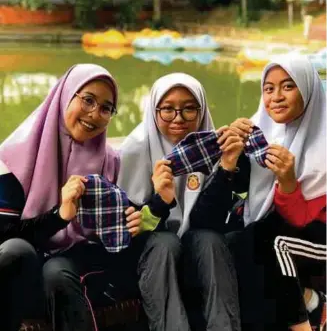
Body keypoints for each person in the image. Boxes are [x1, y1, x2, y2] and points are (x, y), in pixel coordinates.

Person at [0, 64, 141, 331]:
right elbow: (5, 236)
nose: (94, 114)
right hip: (23, 279)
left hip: (78, 274)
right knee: (15, 251)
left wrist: (132, 219)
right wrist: (59, 216)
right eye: (87, 100)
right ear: (65, 95)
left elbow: (116, 235)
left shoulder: (111, 162)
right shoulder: (12, 158)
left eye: (106, 108)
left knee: (58, 271)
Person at [195, 56, 326, 331]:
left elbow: (300, 221)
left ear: (308, 89)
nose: (276, 97)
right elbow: (223, 206)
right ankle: (312, 302)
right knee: (237, 244)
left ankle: (304, 325)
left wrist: (288, 182)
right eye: (268, 89)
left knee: (266, 240)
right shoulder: (262, 133)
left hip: (314, 238)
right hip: (277, 235)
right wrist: (231, 156)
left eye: (288, 87)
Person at [118, 73, 242, 331]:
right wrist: (160, 202)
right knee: (165, 242)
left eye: (188, 109)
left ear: (201, 110)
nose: (178, 119)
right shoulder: (135, 150)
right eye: (168, 109)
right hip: (149, 258)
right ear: (154, 111)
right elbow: (127, 231)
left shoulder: (212, 146)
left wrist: (227, 168)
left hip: (196, 253)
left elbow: (207, 222)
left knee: (210, 240)